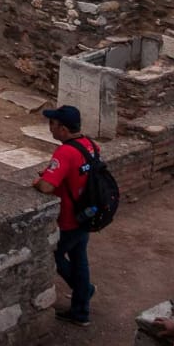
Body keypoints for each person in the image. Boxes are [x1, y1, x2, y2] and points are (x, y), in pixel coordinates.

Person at [34, 104, 99, 327]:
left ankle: (84, 293)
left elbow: (46, 187)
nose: (50, 128)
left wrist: (39, 180)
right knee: (80, 259)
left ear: (63, 128)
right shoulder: (90, 145)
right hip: (87, 213)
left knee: (54, 255)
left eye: (52, 124)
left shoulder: (66, 152)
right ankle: (81, 310)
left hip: (69, 218)